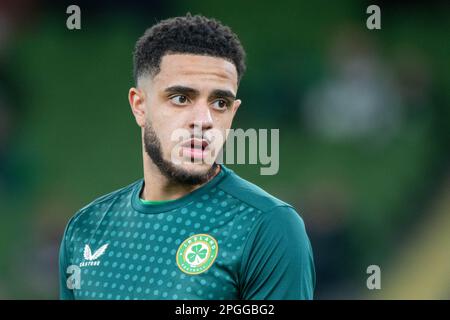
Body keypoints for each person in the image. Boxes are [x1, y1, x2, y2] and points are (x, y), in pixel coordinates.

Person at [59, 13, 315, 300]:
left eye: (220, 103)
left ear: (233, 113)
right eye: (181, 98)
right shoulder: (86, 229)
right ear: (139, 106)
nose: (204, 120)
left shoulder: (267, 227)